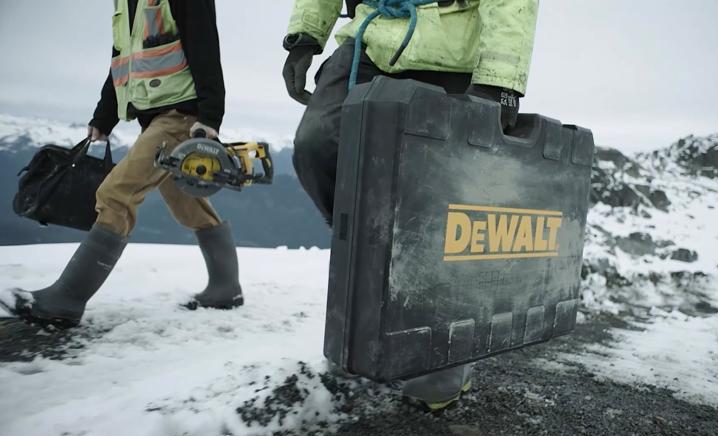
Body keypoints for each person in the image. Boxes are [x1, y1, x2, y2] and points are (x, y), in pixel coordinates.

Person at [282, 0, 539, 410]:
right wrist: (306, 35)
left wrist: (500, 81)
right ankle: (371, 315)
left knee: (442, 199)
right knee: (318, 145)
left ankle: (445, 352)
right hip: (368, 37)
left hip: (453, 45)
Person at [8, 0, 241, 329]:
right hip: (155, 117)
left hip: (181, 116)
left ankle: (67, 299)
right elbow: (123, 61)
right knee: (186, 201)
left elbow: (205, 46)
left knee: (116, 194)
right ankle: (226, 288)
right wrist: (104, 116)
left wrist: (210, 116)